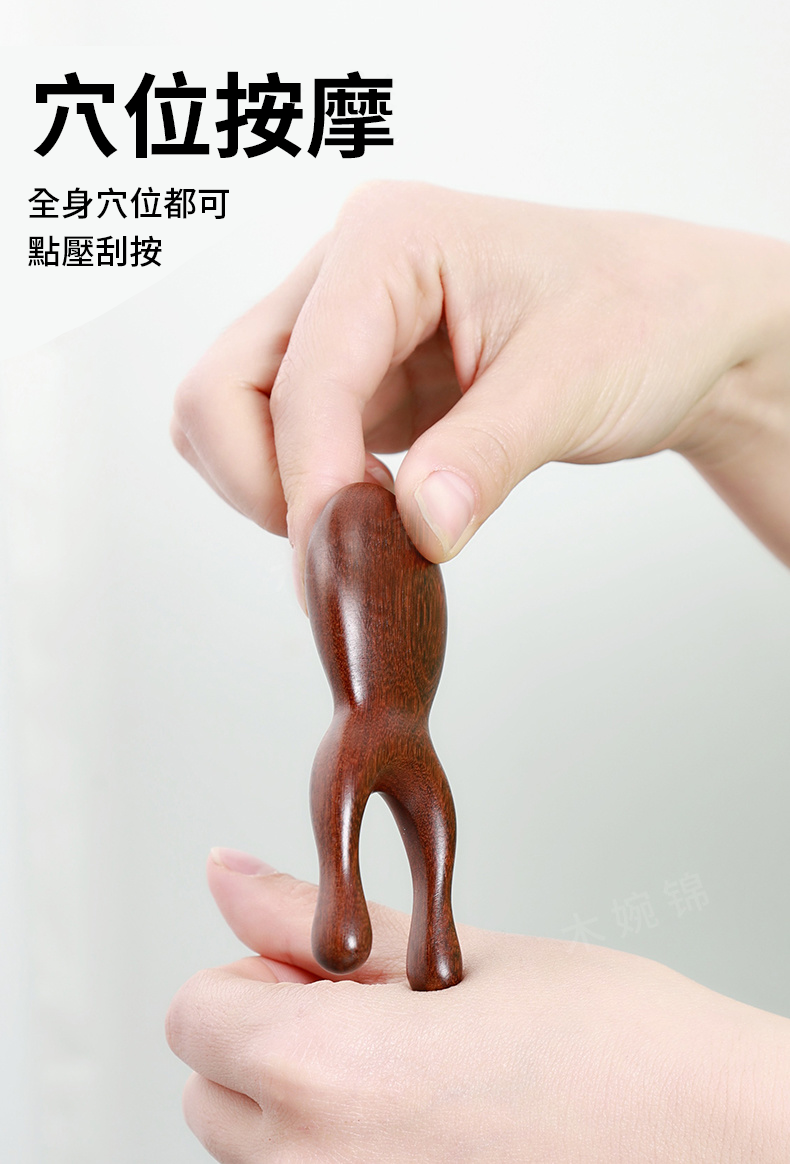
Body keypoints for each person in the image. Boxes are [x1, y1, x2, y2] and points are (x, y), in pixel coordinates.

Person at [166, 182, 790, 1161]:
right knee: (418, 820)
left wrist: (700, 1110)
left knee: (423, 827)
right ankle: (375, 912)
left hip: (394, 726)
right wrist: (739, 352)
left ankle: (403, 922)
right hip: (386, 722)